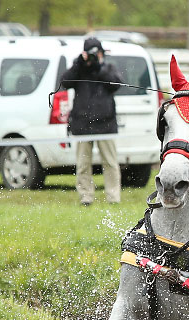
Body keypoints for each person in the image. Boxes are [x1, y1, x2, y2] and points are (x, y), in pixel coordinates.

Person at [61, 37, 122, 205]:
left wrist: (99, 67)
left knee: (110, 162)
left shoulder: (108, 68)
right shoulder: (79, 69)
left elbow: (116, 84)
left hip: (105, 123)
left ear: (102, 53)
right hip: (83, 124)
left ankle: (113, 197)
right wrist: (79, 64)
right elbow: (64, 82)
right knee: (82, 164)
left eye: (97, 53)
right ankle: (86, 197)